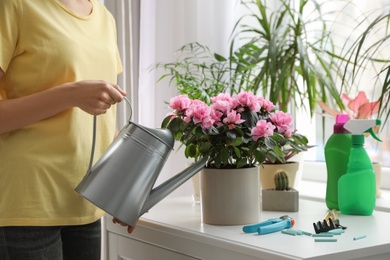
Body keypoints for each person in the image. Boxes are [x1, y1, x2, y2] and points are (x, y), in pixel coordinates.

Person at [0, 0, 131, 259]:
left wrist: (122, 188)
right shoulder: (14, 5)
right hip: (27, 205)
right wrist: (70, 94)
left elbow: (105, 118)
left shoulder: (104, 16)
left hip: (85, 201)